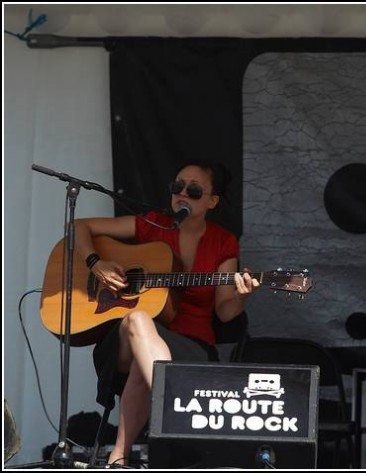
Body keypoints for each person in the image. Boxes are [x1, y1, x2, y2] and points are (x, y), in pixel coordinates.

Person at [74, 160, 259, 466]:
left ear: (212, 201)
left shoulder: (223, 242)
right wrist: (96, 263)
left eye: (194, 190)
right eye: (178, 187)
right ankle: (174, 410)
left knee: (142, 357)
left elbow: (226, 314)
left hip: (190, 346)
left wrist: (242, 296)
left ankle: (118, 458)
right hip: (125, 341)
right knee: (137, 320)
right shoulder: (151, 224)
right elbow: (79, 226)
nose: (182, 194)